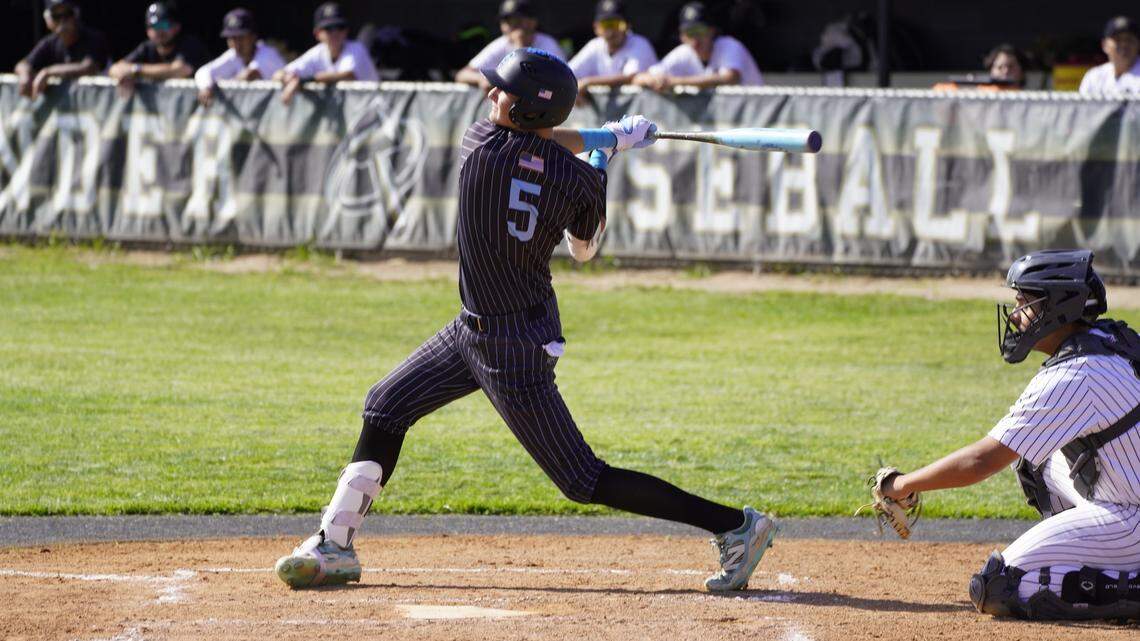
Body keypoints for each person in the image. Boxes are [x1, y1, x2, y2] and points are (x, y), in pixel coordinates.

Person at [274, 47, 778, 594]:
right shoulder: (574, 179)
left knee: (583, 479)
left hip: (512, 348)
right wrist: (605, 152)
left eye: (503, 91)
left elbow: (534, 144)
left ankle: (735, 526)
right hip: (477, 329)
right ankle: (335, 545)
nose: (492, 94)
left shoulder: (479, 143)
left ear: (527, 110)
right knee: (385, 406)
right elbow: (583, 248)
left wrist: (603, 142)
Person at [875, 249, 1140, 621]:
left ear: (1058, 308)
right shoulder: (1112, 338)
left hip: (1131, 517)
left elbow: (981, 461)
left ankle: (1124, 580)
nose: (1015, 314)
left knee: (999, 586)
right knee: (1037, 462)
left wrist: (902, 484)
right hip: (1127, 492)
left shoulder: (1077, 375)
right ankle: (1095, 552)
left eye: (1025, 301)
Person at [633, 1, 762, 91]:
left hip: (758, 118)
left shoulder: (729, 45)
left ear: (711, 31)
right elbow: (639, 78)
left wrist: (674, 82)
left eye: (699, 31)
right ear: (682, 36)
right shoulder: (684, 52)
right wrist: (655, 80)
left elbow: (730, 78)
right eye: (689, 33)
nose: (695, 39)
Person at [273, 2, 378, 105]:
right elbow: (278, 74)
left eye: (340, 27)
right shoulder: (317, 52)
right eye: (329, 28)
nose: (335, 33)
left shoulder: (357, 48)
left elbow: (348, 75)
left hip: (375, 116)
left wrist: (303, 81)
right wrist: (288, 78)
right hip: (350, 116)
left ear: (347, 30)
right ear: (317, 33)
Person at [455, 0, 564, 90]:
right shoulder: (502, 43)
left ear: (533, 21)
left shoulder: (548, 43)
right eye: (506, 21)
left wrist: (520, 45)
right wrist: (481, 79)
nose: (511, 26)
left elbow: (563, 81)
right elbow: (462, 75)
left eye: (517, 21)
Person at [108, 2, 209, 97]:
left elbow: (180, 70)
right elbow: (114, 68)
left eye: (163, 25)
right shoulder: (147, 47)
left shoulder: (189, 44)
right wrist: (125, 76)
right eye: (153, 26)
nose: (158, 31)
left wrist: (136, 70)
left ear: (177, 27)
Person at [14, 0, 108, 99]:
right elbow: (23, 64)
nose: (63, 21)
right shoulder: (49, 42)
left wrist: (48, 72)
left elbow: (89, 67)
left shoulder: (94, 38)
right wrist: (25, 76)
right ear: (48, 20)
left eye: (67, 14)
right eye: (56, 16)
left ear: (76, 15)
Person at [568, 0, 658, 102]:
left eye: (616, 24)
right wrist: (571, 88)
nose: (611, 31)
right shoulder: (594, 45)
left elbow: (629, 77)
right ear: (596, 28)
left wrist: (588, 82)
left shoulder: (640, 44)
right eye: (606, 25)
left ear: (627, 25)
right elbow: (569, 72)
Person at [195, 8, 285, 107]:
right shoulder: (233, 55)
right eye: (232, 38)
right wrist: (206, 87)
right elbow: (203, 71)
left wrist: (228, 83)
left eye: (241, 37)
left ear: (253, 36)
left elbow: (250, 74)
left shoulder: (268, 54)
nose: (236, 43)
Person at [1079, 16, 1140, 95]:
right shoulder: (1094, 76)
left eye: (1129, 39)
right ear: (1104, 45)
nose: (1124, 44)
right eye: (1118, 40)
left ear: (1138, 44)